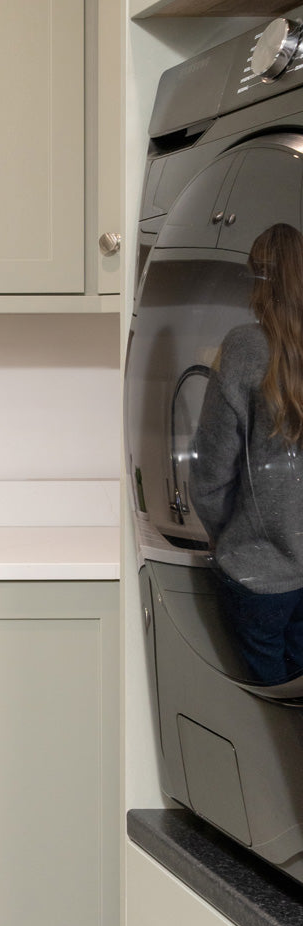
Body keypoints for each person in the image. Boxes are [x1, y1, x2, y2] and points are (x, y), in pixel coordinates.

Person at [192, 222, 303, 685]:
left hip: (259, 578)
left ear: (259, 278)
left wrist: (221, 534)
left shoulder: (242, 347)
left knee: (263, 713)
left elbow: (212, 474)